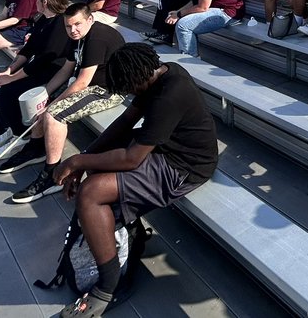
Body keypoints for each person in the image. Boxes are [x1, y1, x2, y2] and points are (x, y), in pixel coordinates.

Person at [53, 44, 219, 318]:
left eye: (129, 88)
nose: (128, 93)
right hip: (166, 151)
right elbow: (126, 121)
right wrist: (87, 155)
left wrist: (76, 162)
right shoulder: (160, 74)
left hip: (184, 167)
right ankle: (131, 234)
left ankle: (107, 288)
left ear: (139, 79)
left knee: (91, 193)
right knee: (100, 167)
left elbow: (131, 160)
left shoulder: (170, 94)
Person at [0, 4, 126, 202]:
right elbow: (67, 69)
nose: (73, 30)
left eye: (77, 24)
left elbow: (83, 81)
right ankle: (35, 147)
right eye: (68, 26)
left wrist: (51, 104)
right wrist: (46, 93)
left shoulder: (97, 38)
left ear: (90, 20)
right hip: (87, 84)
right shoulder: (77, 37)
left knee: (54, 115)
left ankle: (52, 174)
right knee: (43, 102)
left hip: (107, 90)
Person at [0, 0, 73, 154]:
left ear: (45, 2)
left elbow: (45, 58)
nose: (36, 2)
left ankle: (21, 135)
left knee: (7, 92)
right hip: (37, 66)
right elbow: (28, 49)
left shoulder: (60, 24)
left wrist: (13, 78)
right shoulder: (43, 19)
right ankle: (10, 128)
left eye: (38, 0)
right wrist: (9, 71)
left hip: (53, 71)